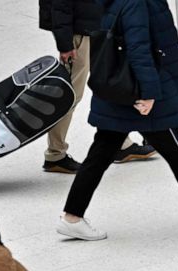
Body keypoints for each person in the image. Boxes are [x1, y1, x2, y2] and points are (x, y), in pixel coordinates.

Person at [58, 0, 178, 240]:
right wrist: (149, 94)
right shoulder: (137, 2)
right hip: (139, 96)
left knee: (98, 158)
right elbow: (139, 49)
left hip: (117, 92)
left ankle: (72, 217)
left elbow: (154, 37)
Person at [38, 0, 156, 173]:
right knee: (69, 96)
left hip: (96, 26)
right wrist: (65, 44)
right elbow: (59, 5)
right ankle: (55, 155)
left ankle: (120, 144)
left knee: (108, 84)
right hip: (78, 35)